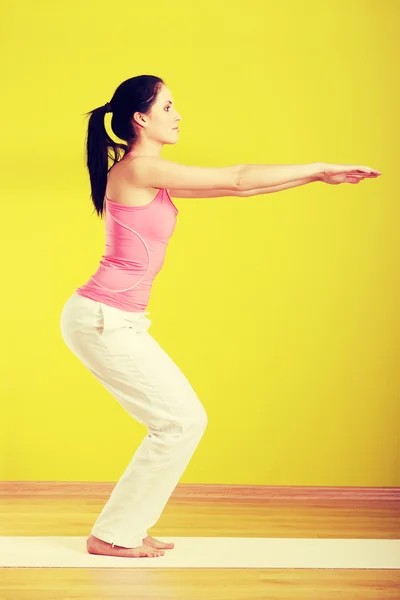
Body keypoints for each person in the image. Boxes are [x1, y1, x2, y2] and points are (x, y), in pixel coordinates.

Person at [60, 74, 381, 560]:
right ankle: (113, 534)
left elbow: (241, 191)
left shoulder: (149, 172)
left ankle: (121, 529)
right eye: (169, 107)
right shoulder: (140, 169)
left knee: (180, 421)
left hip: (114, 318)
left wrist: (316, 177)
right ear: (141, 118)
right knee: (180, 422)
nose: (179, 115)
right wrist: (319, 164)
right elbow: (236, 176)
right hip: (103, 318)